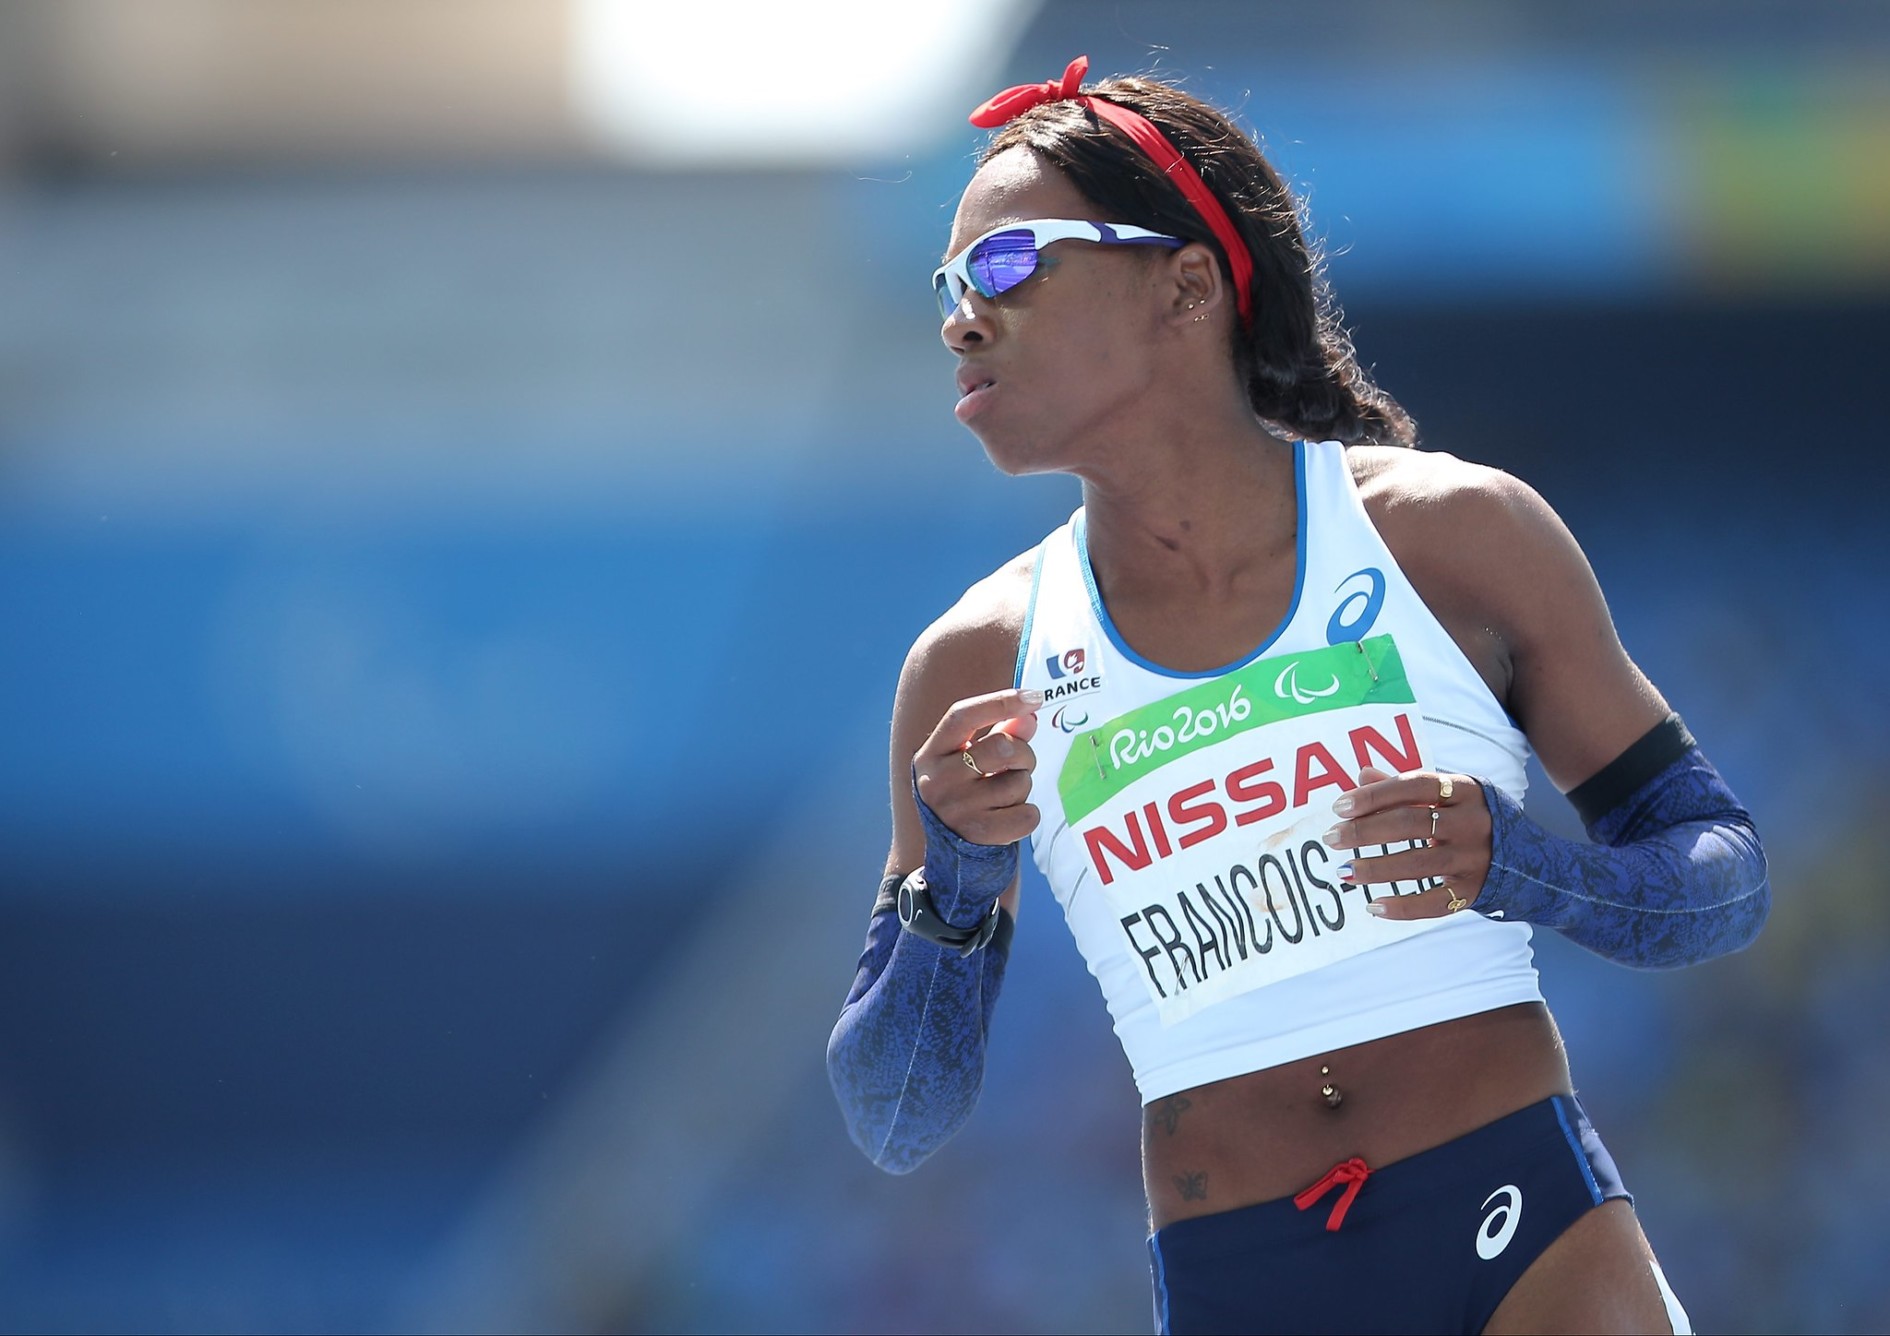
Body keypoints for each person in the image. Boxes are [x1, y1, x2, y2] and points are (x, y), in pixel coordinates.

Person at [826, 55, 1768, 1335]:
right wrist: (954, 887)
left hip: (1526, 1232)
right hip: (1246, 1281)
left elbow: (1725, 879)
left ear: (1189, 282)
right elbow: (894, 1114)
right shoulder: (973, 662)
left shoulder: (1455, 536)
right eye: (951, 284)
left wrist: (1525, 870)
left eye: (1006, 265)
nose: (960, 316)